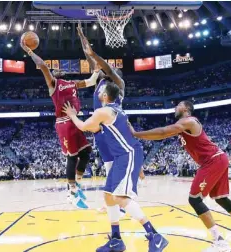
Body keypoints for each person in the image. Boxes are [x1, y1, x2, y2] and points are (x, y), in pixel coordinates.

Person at [130, 101, 231, 252]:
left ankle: (220, 242)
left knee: (194, 199)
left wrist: (136, 134)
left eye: (178, 105)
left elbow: (163, 132)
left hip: (212, 160)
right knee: (221, 198)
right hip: (217, 158)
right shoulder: (184, 124)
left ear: (186, 109)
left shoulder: (188, 121)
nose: (175, 107)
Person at [62, 82, 168, 252]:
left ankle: (155, 236)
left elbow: (83, 126)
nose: (99, 91)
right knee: (108, 196)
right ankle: (116, 239)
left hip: (128, 155)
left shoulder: (103, 111)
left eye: (101, 90)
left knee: (120, 197)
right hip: (123, 155)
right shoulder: (117, 110)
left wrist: (72, 114)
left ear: (105, 96)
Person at [21, 40, 99, 209]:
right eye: (54, 69)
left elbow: (92, 81)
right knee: (72, 157)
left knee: (86, 152)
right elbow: (42, 65)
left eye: (58, 69)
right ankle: (71, 194)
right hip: (64, 122)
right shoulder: (53, 84)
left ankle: (77, 184)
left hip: (74, 121)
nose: (57, 69)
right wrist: (29, 51)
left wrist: (97, 69)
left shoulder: (72, 84)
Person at [77, 25, 144, 214]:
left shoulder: (119, 84)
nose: (109, 69)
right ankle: (112, 203)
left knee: (118, 163)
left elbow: (105, 66)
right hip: (101, 129)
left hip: (113, 125)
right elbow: (91, 60)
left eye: (112, 69)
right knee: (108, 164)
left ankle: (126, 199)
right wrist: (83, 38)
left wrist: (95, 54)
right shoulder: (100, 82)